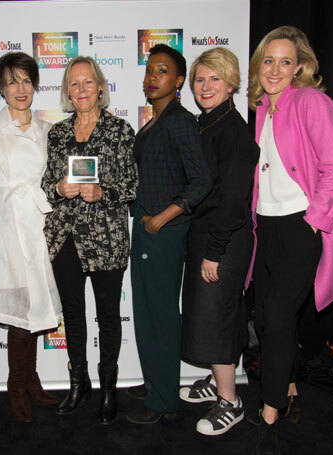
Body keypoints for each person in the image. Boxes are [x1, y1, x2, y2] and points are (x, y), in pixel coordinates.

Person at [247, 26, 333, 454]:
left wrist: (314, 222)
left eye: (285, 61)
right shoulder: (263, 109)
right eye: (268, 60)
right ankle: (291, 389)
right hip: (266, 227)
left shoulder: (312, 102)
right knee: (265, 320)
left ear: (300, 66)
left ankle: (269, 412)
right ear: (258, 66)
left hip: (299, 226)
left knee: (279, 319)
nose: (276, 69)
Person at [41, 56, 137, 424]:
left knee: (109, 316)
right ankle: (77, 383)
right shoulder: (58, 134)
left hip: (106, 238)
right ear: (68, 91)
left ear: (100, 87)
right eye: (74, 84)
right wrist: (59, 188)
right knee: (74, 316)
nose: (81, 90)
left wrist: (104, 193)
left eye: (88, 82)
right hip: (65, 237)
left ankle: (109, 388)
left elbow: (130, 186)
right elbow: (46, 186)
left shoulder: (120, 130)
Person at [127, 44, 212, 425]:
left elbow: (202, 180)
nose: (152, 78)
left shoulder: (180, 120)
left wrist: (161, 218)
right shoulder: (153, 120)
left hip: (163, 231)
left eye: (161, 71)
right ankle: (155, 382)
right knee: (146, 311)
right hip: (146, 227)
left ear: (179, 82)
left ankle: (163, 402)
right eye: (149, 71)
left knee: (159, 314)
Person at [178, 47, 260, 436]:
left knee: (218, 318)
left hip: (222, 241)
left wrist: (214, 253)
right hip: (206, 236)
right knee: (205, 315)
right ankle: (217, 381)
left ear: (231, 84)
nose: (206, 86)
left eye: (215, 79)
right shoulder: (205, 124)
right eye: (200, 79)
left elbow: (232, 202)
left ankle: (231, 401)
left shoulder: (234, 132)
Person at [0, 52, 61, 423]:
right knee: (18, 308)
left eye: (26, 80)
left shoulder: (46, 130)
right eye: (11, 81)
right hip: (8, 223)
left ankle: (31, 379)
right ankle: (16, 385)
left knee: (38, 306)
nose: (20, 88)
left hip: (38, 225)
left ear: (35, 84)